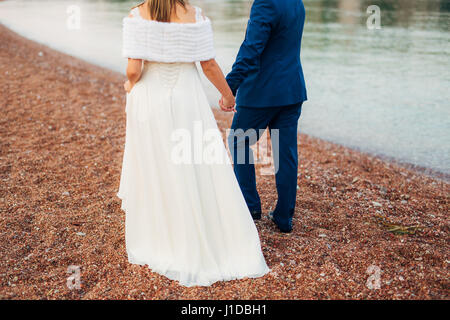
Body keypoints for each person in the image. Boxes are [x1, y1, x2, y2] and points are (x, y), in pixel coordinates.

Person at [118, 0, 269, 287]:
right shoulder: (195, 16)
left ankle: (165, 233)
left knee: (157, 165)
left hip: (150, 99)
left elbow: (134, 70)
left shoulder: (136, 15)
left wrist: (128, 85)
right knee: (197, 163)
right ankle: (213, 234)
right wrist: (227, 96)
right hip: (188, 99)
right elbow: (209, 65)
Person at [224, 0, 307, 233]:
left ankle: (249, 206)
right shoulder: (296, 2)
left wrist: (230, 85)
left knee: (238, 141)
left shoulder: (265, 3)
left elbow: (252, 48)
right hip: (292, 89)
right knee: (285, 152)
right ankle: (284, 216)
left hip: (262, 92)